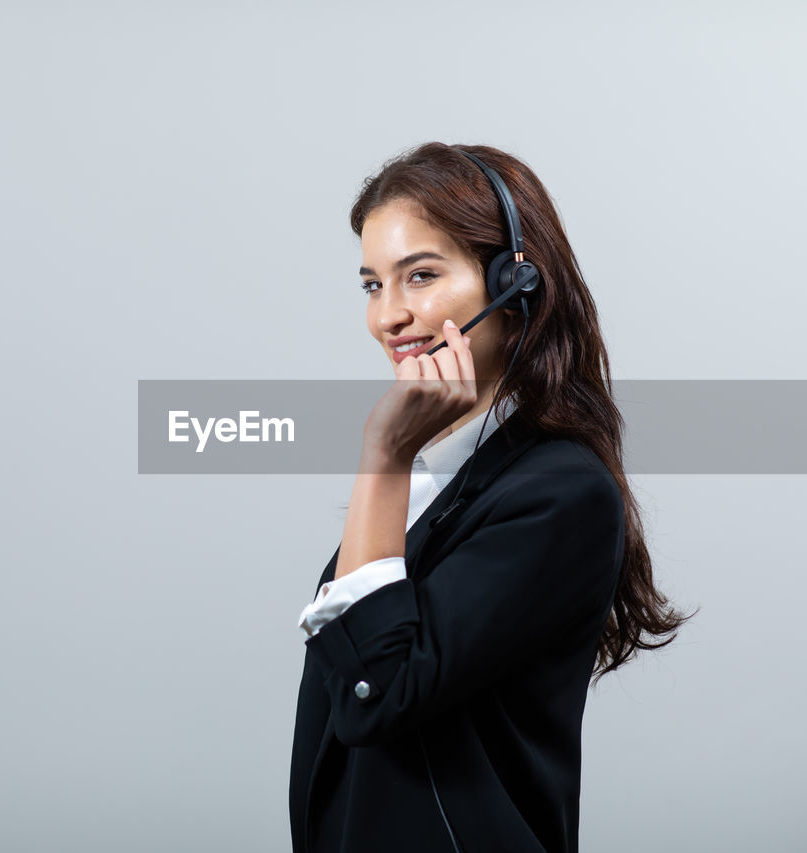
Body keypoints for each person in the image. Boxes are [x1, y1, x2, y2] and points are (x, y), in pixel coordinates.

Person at [288, 142, 694, 853]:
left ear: (514, 283)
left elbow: (374, 692)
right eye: (372, 285)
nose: (389, 315)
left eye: (419, 275)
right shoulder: (434, 480)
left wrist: (382, 456)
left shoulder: (560, 492)